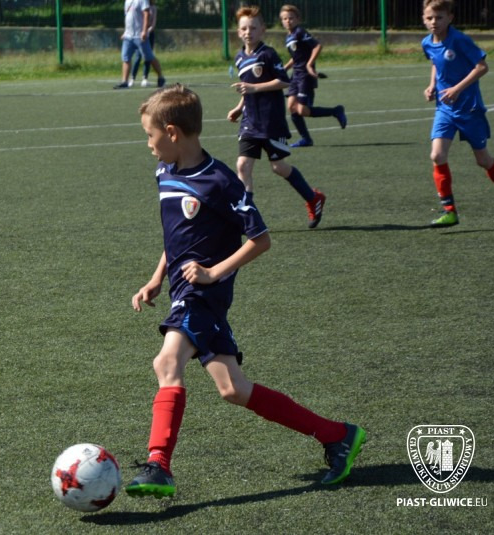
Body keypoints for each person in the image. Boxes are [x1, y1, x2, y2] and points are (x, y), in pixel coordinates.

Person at [125, 83, 366, 498]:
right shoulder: (165, 172)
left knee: (166, 363)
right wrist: (156, 277)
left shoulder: (220, 182)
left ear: (173, 132)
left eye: (150, 135)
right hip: (183, 290)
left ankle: (159, 464)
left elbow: (260, 239)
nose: (148, 144)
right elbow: (176, 236)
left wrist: (213, 273)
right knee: (232, 388)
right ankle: (337, 435)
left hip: (201, 295)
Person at [227, 6, 326, 229]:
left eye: (253, 28)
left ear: (262, 29)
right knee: (243, 165)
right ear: (239, 32)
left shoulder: (268, 54)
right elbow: (247, 88)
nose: (248, 32)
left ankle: (313, 198)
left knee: (278, 167)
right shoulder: (240, 58)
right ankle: (248, 219)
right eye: (244, 28)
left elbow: (284, 81)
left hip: (271, 121)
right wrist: (239, 107)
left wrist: (254, 88)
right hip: (250, 122)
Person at [421, 0, 494, 226]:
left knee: (483, 160)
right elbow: (435, 62)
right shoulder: (427, 43)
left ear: (450, 18)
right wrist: (432, 85)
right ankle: (449, 211)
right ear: (423, 19)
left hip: (469, 109)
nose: (434, 22)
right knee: (437, 156)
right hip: (445, 109)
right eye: (429, 18)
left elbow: (482, 67)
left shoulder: (460, 40)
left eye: (439, 18)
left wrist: (457, 89)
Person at [279, 5, 346, 148]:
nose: (288, 21)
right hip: (296, 75)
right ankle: (306, 139)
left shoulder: (300, 31)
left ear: (298, 19)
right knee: (291, 107)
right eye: (284, 19)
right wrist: (284, 69)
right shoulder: (289, 37)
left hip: (305, 76)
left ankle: (336, 111)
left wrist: (310, 64)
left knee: (302, 110)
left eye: (291, 18)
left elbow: (317, 46)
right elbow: (296, 57)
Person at [114, 0, 165, 90]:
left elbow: (146, 14)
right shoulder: (127, 1)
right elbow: (127, 17)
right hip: (128, 36)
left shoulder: (142, 0)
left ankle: (161, 77)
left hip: (139, 36)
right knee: (125, 58)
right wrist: (125, 32)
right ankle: (124, 82)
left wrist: (144, 31)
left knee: (149, 57)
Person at [129, 0, 157, 88]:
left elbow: (153, 23)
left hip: (149, 34)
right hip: (140, 34)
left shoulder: (153, 8)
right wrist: (141, 32)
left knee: (148, 57)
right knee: (138, 56)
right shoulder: (140, 5)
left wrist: (147, 31)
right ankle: (132, 78)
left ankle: (145, 78)